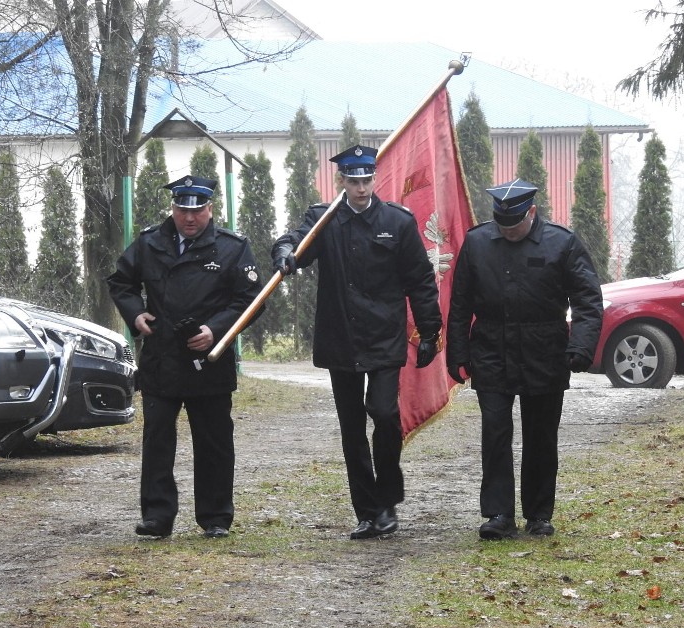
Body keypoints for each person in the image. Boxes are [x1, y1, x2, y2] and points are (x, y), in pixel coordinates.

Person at [271, 145, 442, 540]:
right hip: (340, 338)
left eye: (367, 179)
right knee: (351, 427)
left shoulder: (397, 222)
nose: (362, 187)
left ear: (374, 179)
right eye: (354, 180)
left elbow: (419, 279)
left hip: (384, 335)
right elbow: (295, 242)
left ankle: (387, 501)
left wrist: (430, 332)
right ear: (342, 181)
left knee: (383, 413)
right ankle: (366, 511)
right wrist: (284, 252)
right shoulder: (324, 220)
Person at [107, 175, 263, 539]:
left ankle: (215, 517)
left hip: (208, 358)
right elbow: (121, 282)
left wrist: (217, 330)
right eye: (182, 210)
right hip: (162, 355)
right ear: (173, 208)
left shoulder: (232, 248)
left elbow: (251, 300)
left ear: (210, 209)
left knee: (213, 441)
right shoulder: (150, 242)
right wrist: (135, 313)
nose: (189, 218)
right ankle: (157, 517)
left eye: (197, 210)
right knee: (158, 440)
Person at [446, 178, 603, 540]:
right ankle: (499, 513)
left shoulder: (562, 243)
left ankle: (538, 514)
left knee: (541, 436)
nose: (509, 232)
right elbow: (460, 304)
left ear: (531, 212)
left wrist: (581, 346)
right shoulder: (477, 242)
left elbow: (588, 299)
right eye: (503, 225)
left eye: (515, 225)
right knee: (496, 432)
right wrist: (457, 352)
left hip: (544, 349)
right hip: (490, 348)